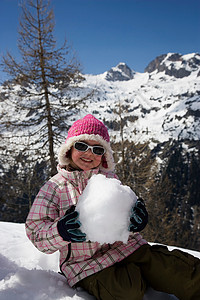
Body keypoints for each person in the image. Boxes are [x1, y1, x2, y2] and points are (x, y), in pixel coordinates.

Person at [25, 114, 200, 300]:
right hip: (86, 265)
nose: (89, 153)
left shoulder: (110, 181)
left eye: (97, 149)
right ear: (69, 149)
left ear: (104, 156)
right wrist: (61, 231)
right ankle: (141, 277)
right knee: (126, 293)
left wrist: (135, 221)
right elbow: (36, 231)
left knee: (182, 272)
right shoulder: (54, 188)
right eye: (82, 146)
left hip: (130, 249)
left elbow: (126, 214)